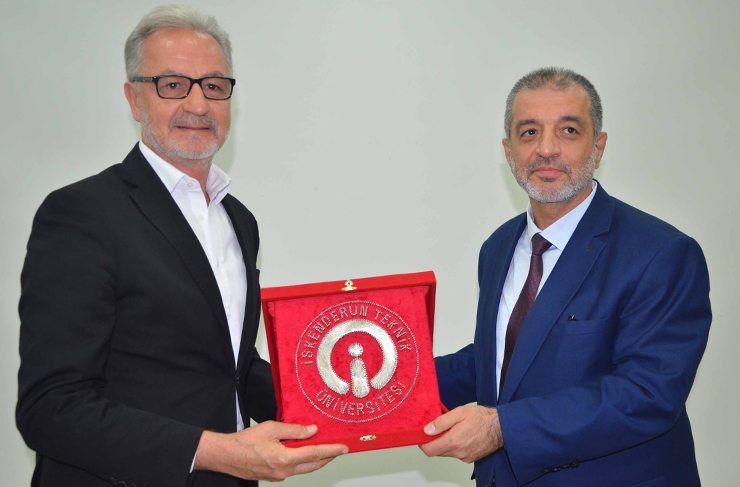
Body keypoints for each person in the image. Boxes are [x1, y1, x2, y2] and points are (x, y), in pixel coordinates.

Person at [16, 6, 346, 487]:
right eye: (172, 85)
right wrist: (215, 451)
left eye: (213, 86)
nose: (198, 104)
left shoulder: (239, 221)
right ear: (134, 99)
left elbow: (231, 369)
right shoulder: (82, 213)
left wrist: (345, 404)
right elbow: (50, 407)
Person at [422, 67, 711, 487]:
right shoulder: (497, 247)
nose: (547, 149)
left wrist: (501, 428)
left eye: (569, 130)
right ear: (508, 151)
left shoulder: (661, 253)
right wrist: (392, 383)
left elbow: (647, 394)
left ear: (599, 146)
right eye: (529, 132)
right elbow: (506, 358)